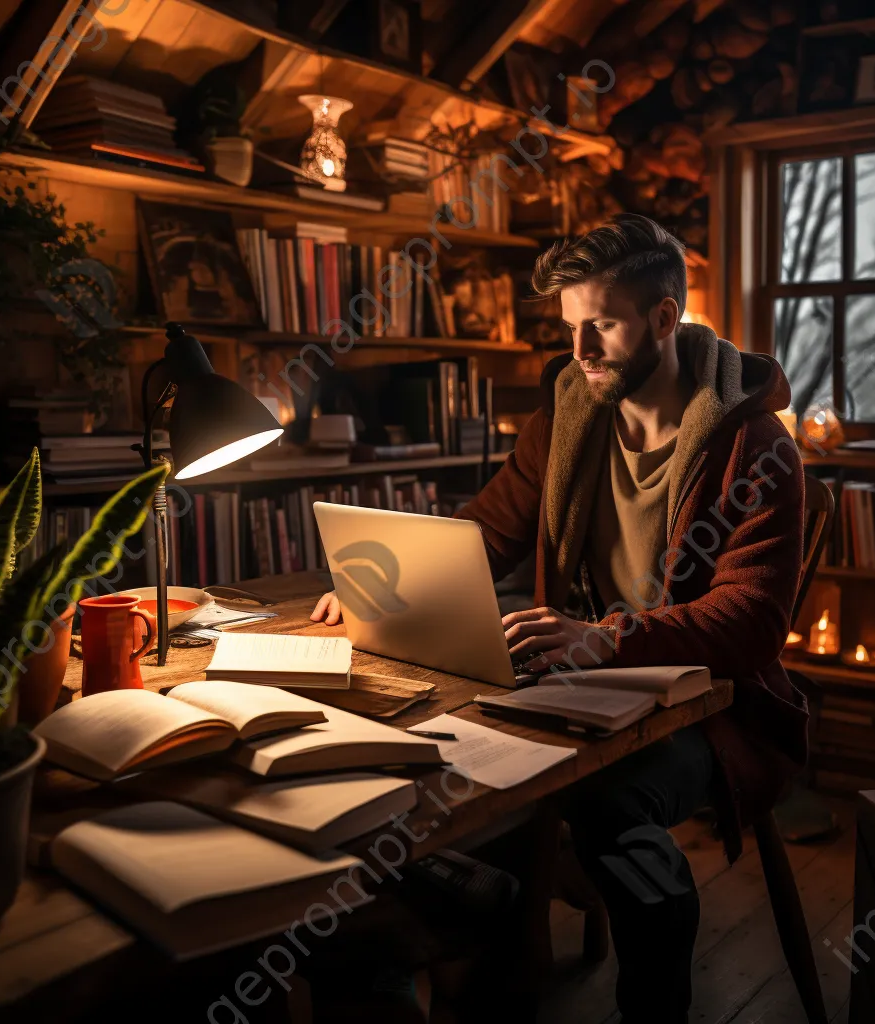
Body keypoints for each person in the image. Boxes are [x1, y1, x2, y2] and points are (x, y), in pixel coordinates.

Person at [311, 214, 809, 1022]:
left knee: (610, 806)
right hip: (572, 682)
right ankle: (485, 942)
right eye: (571, 327)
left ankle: (648, 974)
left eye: (600, 325)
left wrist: (606, 638)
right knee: (407, 757)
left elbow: (750, 620)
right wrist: (383, 581)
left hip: (708, 706)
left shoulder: (755, 445)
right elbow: (491, 531)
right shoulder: (569, 415)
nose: (580, 351)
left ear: (662, 318)